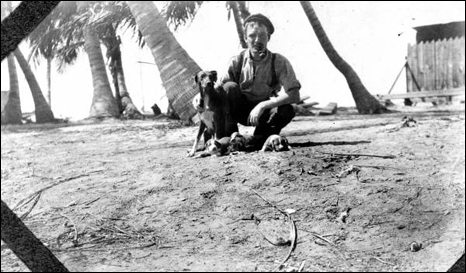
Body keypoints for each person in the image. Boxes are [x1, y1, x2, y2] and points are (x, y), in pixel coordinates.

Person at [217, 13, 302, 149]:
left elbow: (294, 94)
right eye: (252, 36)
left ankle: (258, 138)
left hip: (263, 114)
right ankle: (230, 136)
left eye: (262, 35)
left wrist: (262, 105)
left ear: (268, 37)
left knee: (287, 109)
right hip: (239, 110)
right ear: (245, 38)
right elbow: (219, 89)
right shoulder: (237, 61)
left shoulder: (278, 61)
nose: (257, 40)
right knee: (229, 88)